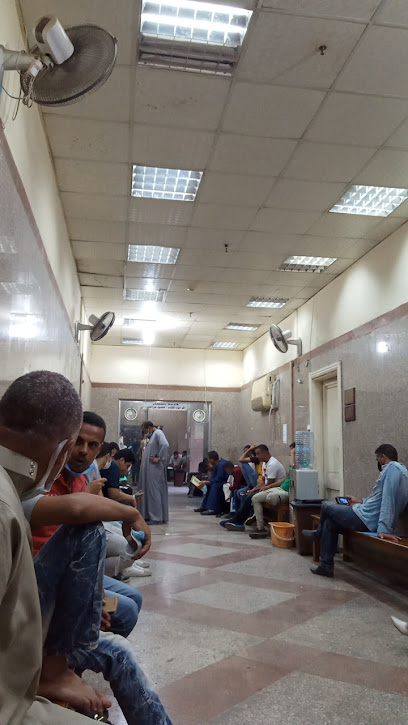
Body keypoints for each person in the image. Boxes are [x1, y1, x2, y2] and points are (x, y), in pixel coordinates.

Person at [0, 370, 113, 724]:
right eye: (76, 444)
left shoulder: (11, 493)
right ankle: (54, 670)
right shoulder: (4, 507)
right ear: (64, 448)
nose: (82, 453)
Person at [303, 444, 408, 578]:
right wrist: (359, 501)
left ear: (383, 457)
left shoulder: (392, 469)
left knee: (326, 505)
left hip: (367, 519)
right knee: (330, 523)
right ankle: (326, 567)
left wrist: (384, 530)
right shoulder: (403, 472)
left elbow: (389, 500)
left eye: (377, 459)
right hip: (367, 515)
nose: (377, 462)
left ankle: (318, 534)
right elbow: (379, 499)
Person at [223, 445, 286, 532]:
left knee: (250, 498)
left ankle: (239, 521)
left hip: (275, 489)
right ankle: (237, 519)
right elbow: (263, 481)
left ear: (265, 453)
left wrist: (256, 490)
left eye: (258, 454)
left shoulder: (273, 464)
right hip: (267, 488)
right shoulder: (265, 463)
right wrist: (254, 489)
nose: (257, 456)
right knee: (245, 494)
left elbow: (270, 483)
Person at [139, 421, 169, 524]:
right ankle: (149, 514)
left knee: (154, 491)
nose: (145, 433)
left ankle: (156, 517)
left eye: (145, 430)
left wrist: (160, 458)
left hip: (154, 469)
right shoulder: (153, 436)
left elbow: (165, 445)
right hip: (150, 469)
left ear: (149, 427)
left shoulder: (158, 433)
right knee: (150, 491)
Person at [196, 451, 230, 516]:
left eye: (209, 459)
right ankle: (204, 506)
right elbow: (214, 477)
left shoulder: (221, 464)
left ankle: (212, 508)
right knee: (209, 485)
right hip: (220, 480)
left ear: (212, 459)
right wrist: (206, 482)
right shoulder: (217, 465)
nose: (208, 460)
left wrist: (205, 482)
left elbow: (219, 478)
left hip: (225, 481)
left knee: (214, 486)